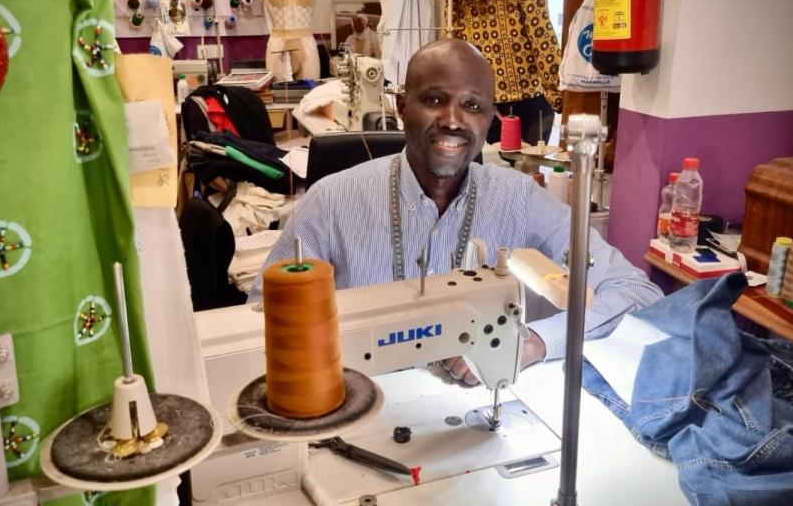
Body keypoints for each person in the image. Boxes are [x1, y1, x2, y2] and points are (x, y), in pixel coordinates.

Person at [249, 39, 662, 384]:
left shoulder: (518, 200)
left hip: (472, 408)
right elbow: (262, 318)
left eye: (473, 105)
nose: (453, 120)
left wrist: (533, 340)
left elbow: (636, 293)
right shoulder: (332, 202)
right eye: (433, 100)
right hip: (360, 401)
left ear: (489, 120)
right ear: (401, 106)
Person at [443, 0, 561, 146]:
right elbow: (539, 31)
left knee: (486, 170)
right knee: (526, 172)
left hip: (479, 94)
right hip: (528, 92)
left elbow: (452, 37)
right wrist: (559, 92)